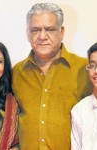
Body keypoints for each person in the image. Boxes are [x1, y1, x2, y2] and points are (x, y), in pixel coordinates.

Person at [12, 3, 92, 149]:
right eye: (35, 30)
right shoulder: (16, 72)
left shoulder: (85, 70)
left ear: (61, 32)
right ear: (28, 33)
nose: (42, 36)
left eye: (49, 29)